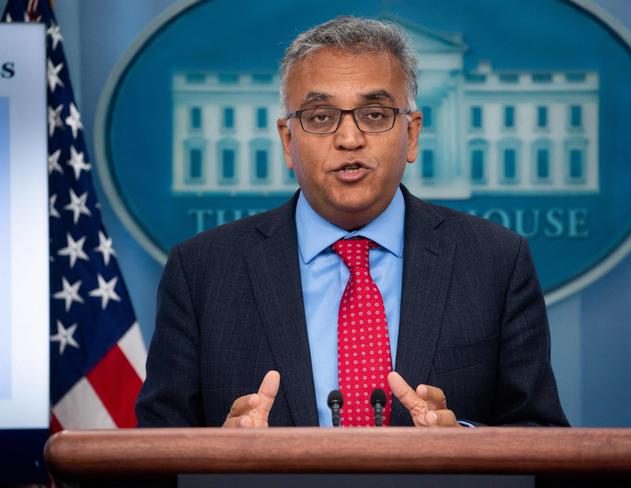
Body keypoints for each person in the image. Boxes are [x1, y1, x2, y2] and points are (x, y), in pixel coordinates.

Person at [136, 16, 568, 429]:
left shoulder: (495, 261)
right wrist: (218, 455)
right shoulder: (201, 271)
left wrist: (464, 441)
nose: (349, 139)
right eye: (321, 117)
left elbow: (543, 435)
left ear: (412, 135)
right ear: (288, 141)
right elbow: (155, 450)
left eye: (375, 115)